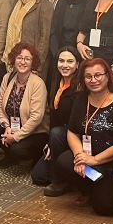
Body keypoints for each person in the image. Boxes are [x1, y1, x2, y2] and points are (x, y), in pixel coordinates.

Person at [44, 58, 113, 215]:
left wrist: (95, 160)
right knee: (64, 162)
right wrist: (79, 156)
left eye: (98, 75)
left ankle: (99, 187)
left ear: (108, 76)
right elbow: (72, 131)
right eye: (88, 76)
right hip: (87, 159)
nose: (93, 80)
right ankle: (90, 187)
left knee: (105, 208)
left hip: (109, 162)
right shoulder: (81, 99)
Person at [0, 42, 48, 167]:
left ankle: (35, 157)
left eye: (27, 59)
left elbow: (36, 117)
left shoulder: (38, 83)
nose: (23, 62)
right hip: (12, 126)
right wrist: (6, 126)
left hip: (34, 132)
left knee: (18, 150)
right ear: (14, 60)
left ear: (33, 62)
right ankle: (10, 156)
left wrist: (15, 137)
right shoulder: (7, 78)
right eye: (19, 58)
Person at [38, 47, 83, 182]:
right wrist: (50, 143)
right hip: (58, 136)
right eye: (61, 61)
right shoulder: (56, 82)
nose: (64, 65)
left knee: (56, 133)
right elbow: (54, 116)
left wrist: (55, 139)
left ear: (77, 65)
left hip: (76, 136)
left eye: (70, 61)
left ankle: (61, 180)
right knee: (38, 176)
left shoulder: (80, 87)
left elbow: (77, 122)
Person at [2, 0, 53, 80]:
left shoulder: (45, 5)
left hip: (32, 63)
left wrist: (37, 65)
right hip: (14, 59)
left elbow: (45, 39)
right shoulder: (15, 2)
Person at [50, 0, 91, 64]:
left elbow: (88, 31)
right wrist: (56, 53)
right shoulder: (61, 2)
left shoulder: (90, 3)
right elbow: (54, 31)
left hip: (81, 53)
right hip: (60, 52)